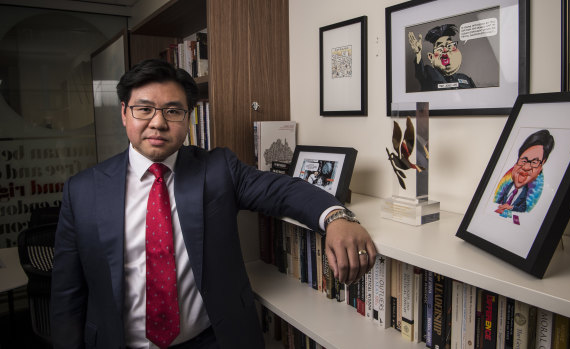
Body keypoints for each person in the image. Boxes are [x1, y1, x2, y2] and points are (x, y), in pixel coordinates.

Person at [50, 59, 377, 349]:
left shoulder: (218, 169)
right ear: (124, 113)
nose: (158, 122)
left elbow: (282, 190)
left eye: (173, 111)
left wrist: (336, 217)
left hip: (213, 340)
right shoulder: (83, 191)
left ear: (188, 118)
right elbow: (67, 294)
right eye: (144, 109)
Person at [493, 129, 555, 218]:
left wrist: (510, 207)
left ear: (542, 165)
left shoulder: (528, 194)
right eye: (524, 160)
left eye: (534, 162)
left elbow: (522, 209)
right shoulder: (507, 186)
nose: (526, 167)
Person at [408, 24, 476, 91]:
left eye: (449, 46)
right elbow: (420, 73)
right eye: (440, 49)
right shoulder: (429, 74)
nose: (445, 50)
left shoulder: (465, 79)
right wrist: (418, 53)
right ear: (431, 57)